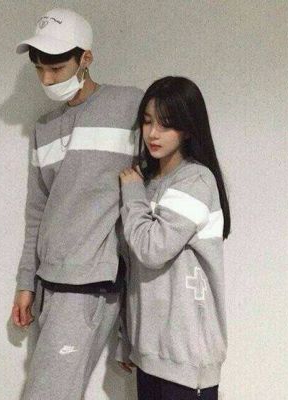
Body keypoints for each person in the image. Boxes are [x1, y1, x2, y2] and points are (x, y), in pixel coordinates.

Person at [10, 7, 144, 400]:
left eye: (56, 68)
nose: (47, 80)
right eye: (40, 69)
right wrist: (26, 283)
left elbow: (150, 194)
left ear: (85, 58)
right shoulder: (45, 127)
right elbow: (37, 212)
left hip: (89, 283)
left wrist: (137, 316)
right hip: (49, 281)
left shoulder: (131, 106)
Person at [115, 76, 231, 400]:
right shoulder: (146, 181)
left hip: (187, 360)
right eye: (147, 121)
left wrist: (132, 193)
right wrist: (128, 340)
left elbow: (151, 250)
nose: (153, 133)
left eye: (166, 125)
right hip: (150, 356)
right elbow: (132, 267)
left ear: (188, 129)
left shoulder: (196, 180)